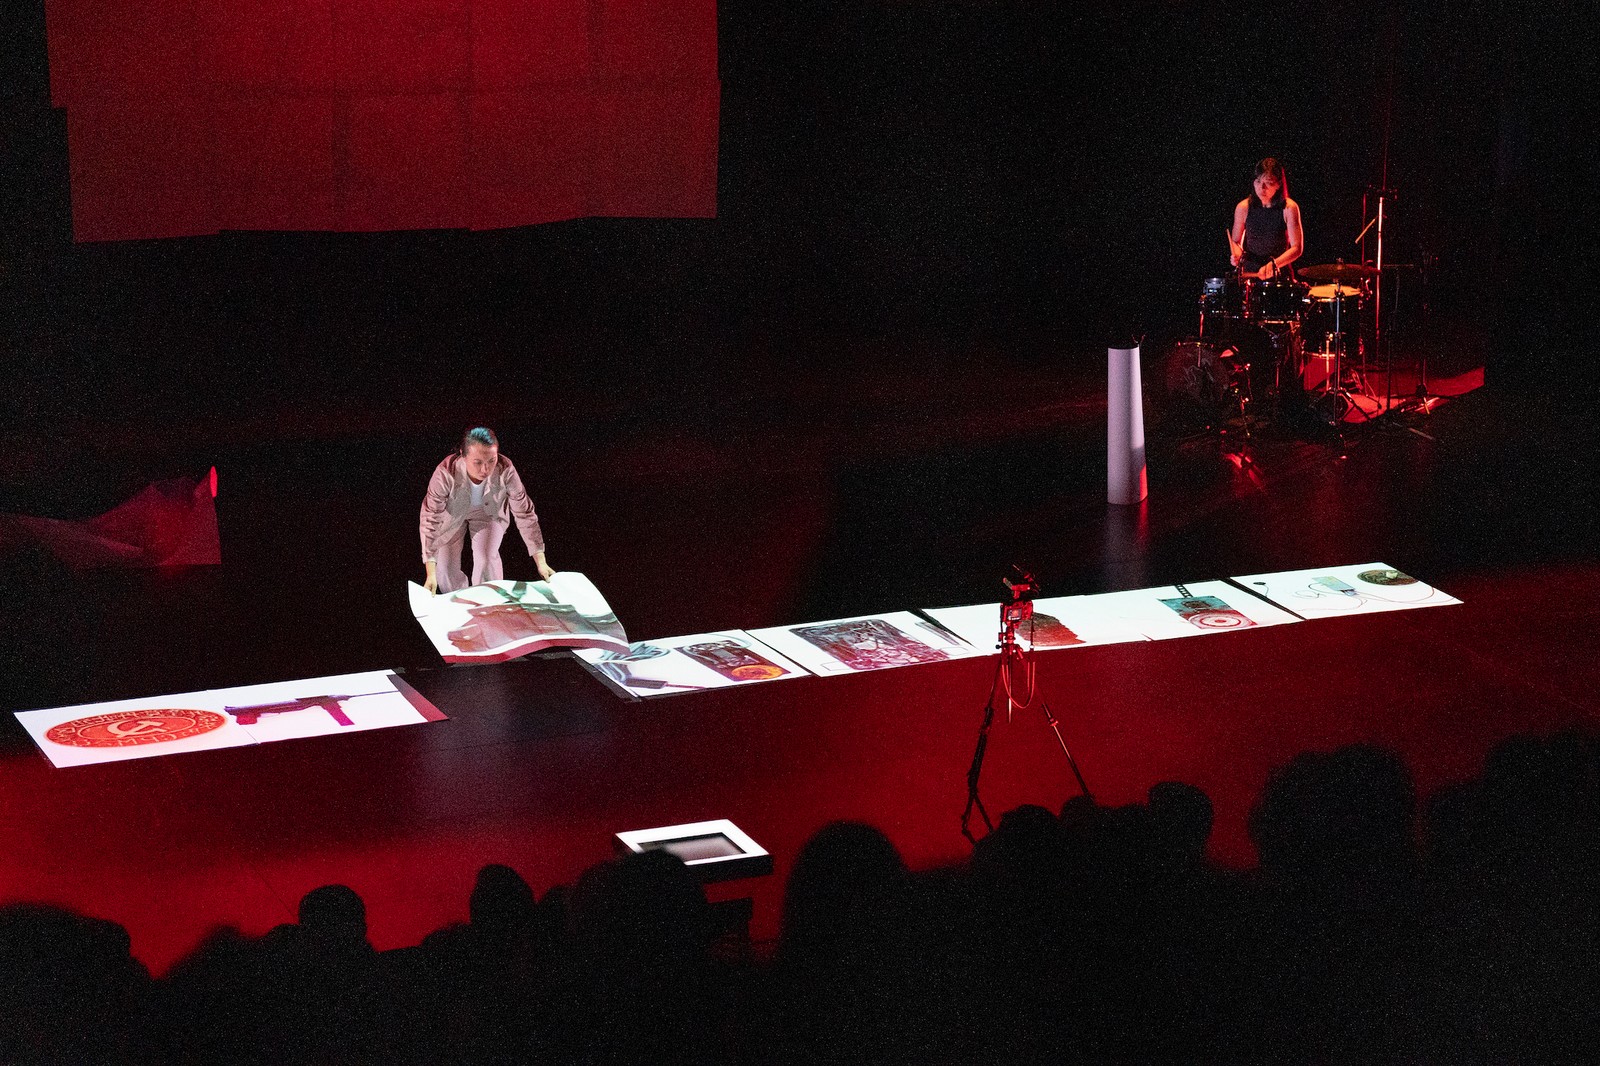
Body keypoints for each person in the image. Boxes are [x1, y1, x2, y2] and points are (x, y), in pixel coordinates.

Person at [420, 427, 553, 594]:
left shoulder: (506, 469)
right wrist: (430, 573)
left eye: (491, 460)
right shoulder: (445, 472)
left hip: (488, 513)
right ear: (463, 455)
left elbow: (524, 512)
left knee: (486, 558)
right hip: (452, 515)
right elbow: (430, 518)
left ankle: (488, 598)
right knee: (445, 570)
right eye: (478, 462)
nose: (485, 469)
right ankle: (460, 602)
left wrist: (540, 561)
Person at [1228, 157, 1304, 280]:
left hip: (1279, 274)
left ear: (1278, 184)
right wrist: (1237, 255)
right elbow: (1236, 242)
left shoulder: (1289, 208)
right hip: (1251, 274)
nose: (1262, 187)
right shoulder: (1243, 207)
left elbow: (1297, 248)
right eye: (1258, 181)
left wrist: (1274, 265)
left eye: (1268, 182)